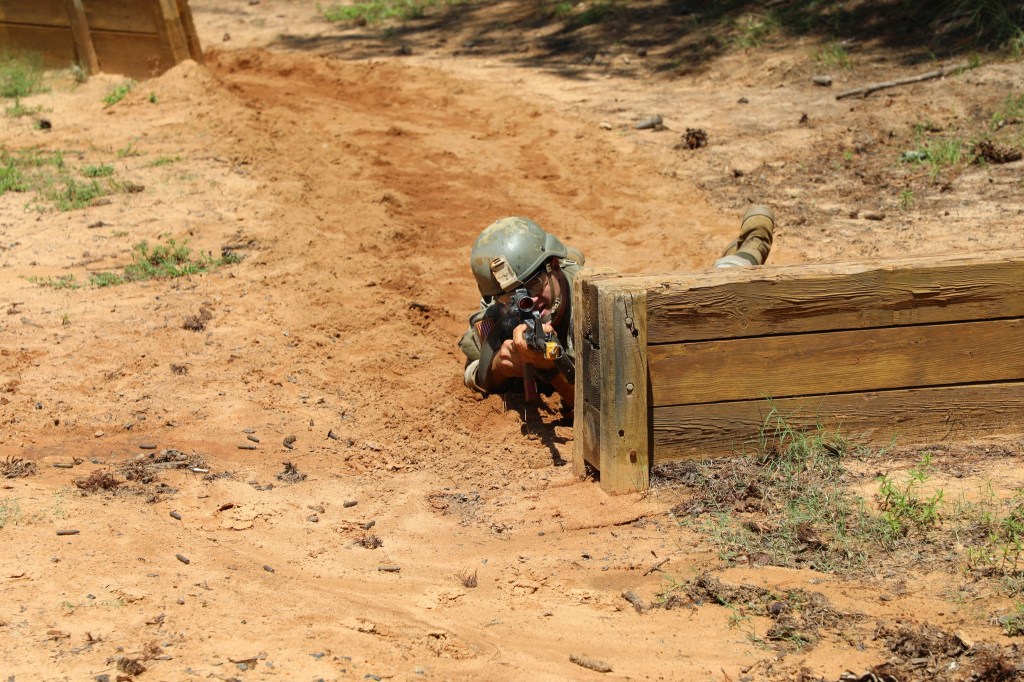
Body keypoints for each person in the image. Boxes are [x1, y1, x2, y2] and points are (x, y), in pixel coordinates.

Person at [458, 206, 775, 408]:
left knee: (707, 300)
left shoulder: (597, 308)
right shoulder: (502, 315)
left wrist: (550, 368)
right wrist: (498, 367)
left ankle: (752, 245)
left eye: (535, 285)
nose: (529, 303)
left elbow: (605, 404)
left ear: (553, 266)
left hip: (629, 303)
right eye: (511, 298)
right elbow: (472, 369)